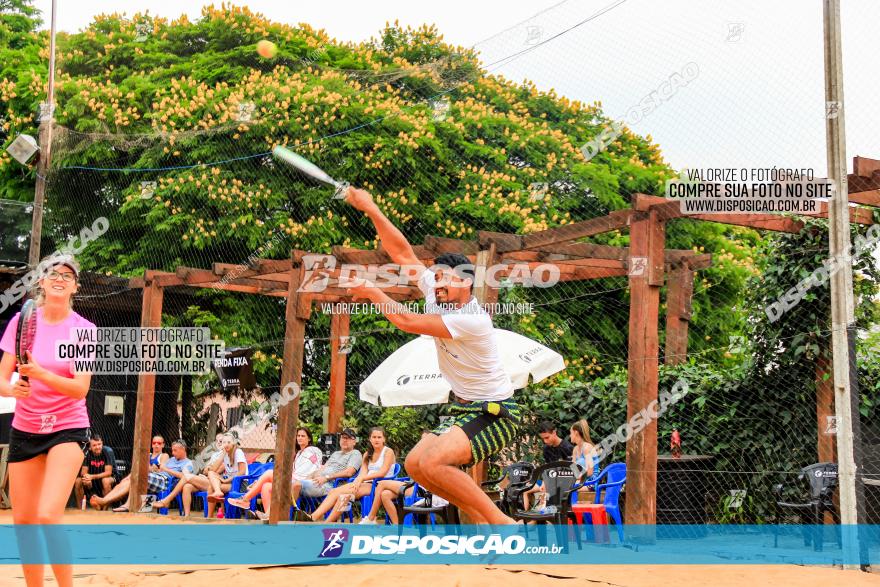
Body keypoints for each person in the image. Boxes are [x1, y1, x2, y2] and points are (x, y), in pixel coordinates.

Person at [343, 188, 520, 525]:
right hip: (464, 408)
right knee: (415, 466)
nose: (436, 284)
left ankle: (503, 523)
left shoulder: (472, 319)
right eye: (435, 277)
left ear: (466, 283)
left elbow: (407, 321)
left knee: (435, 462)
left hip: (496, 412)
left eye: (445, 278)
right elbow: (402, 253)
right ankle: (483, 522)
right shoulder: (437, 294)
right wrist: (371, 207)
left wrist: (371, 291)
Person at [0, 254, 96, 587]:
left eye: (67, 275)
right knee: (24, 522)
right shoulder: (21, 322)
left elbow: (80, 389)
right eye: (52, 273)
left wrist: (40, 374)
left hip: (67, 427)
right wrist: (14, 388)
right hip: (26, 427)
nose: (59, 278)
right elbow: (2, 379)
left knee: (47, 515)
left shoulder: (83, 331)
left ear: (75, 287)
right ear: (41, 281)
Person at [228, 427, 323, 520]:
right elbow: (294, 471)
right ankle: (269, 517)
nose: (300, 438)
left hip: (302, 483)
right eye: (298, 436)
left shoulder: (313, 450)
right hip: (293, 480)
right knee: (266, 486)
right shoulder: (298, 454)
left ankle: (245, 499)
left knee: (270, 473)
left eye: (303, 436)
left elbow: (310, 469)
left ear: (309, 438)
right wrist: (258, 482)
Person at [309, 427, 395, 522]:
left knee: (340, 493)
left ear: (384, 439)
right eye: (374, 437)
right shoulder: (367, 454)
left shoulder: (388, 452)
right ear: (370, 439)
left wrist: (361, 479)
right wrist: (358, 480)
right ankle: (324, 521)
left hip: (381, 485)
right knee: (339, 494)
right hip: (367, 484)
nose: (376, 439)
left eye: (379, 437)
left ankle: (316, 519)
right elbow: (363, 472)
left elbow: (382, 473)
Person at [359, 431, 444, 525]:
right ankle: (397, 525)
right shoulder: (423, 455)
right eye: (422, 440)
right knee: (385, 494)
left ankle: (371, 518)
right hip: (415, 486)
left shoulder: (435, 456)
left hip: (423, 491)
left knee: (382, 484)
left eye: (426, 439)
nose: (423, 442)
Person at [90, 434, 169, 512]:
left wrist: (148, 468)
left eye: (159, 443)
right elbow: (140, 469)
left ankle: (120, 504)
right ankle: (104, 500)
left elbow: (160, 470)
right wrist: (130, 476)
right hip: (146, 480)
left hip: (160, 481)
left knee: (135, 477)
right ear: (151, 444)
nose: (156, 445)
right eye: (154, 443)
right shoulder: (148, 455)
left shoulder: (164, 455)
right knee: (124, 482)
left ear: (163, 445)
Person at [522, 421, 576, 509]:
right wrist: (544, 482)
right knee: (526, 488)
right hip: (551, 480)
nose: (545, 441)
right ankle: (530, 518)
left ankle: (540, 518)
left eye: (547, 437)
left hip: (564, 482)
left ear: (554, 432)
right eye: (543, 438)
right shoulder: (546, 449)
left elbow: (571, 472)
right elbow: (547, 469)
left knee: (547, 494)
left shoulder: (568, 448)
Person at [73, 433, 116, 510]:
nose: (98, 447)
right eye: (94, 445)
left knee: (105, 481)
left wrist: (91, 477)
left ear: (102, 443)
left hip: (110, 478)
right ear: (90, 447)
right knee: (78, 481)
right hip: (93, 479)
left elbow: (108, 473)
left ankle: (104, 510)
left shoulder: (108, 451)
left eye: (99, 444)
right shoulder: (87, 453)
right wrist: (87, 480)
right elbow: (83, 472)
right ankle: (80, 510)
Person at [570, 418, 600, 483]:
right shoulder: (575, 449)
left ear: (576, 433)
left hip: (592, 481)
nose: (570, 435)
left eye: (571, 433)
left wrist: (575, 478)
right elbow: (573, 470)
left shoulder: (587, 448)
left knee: (567, 487)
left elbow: (589, 472)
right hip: (580, 479)